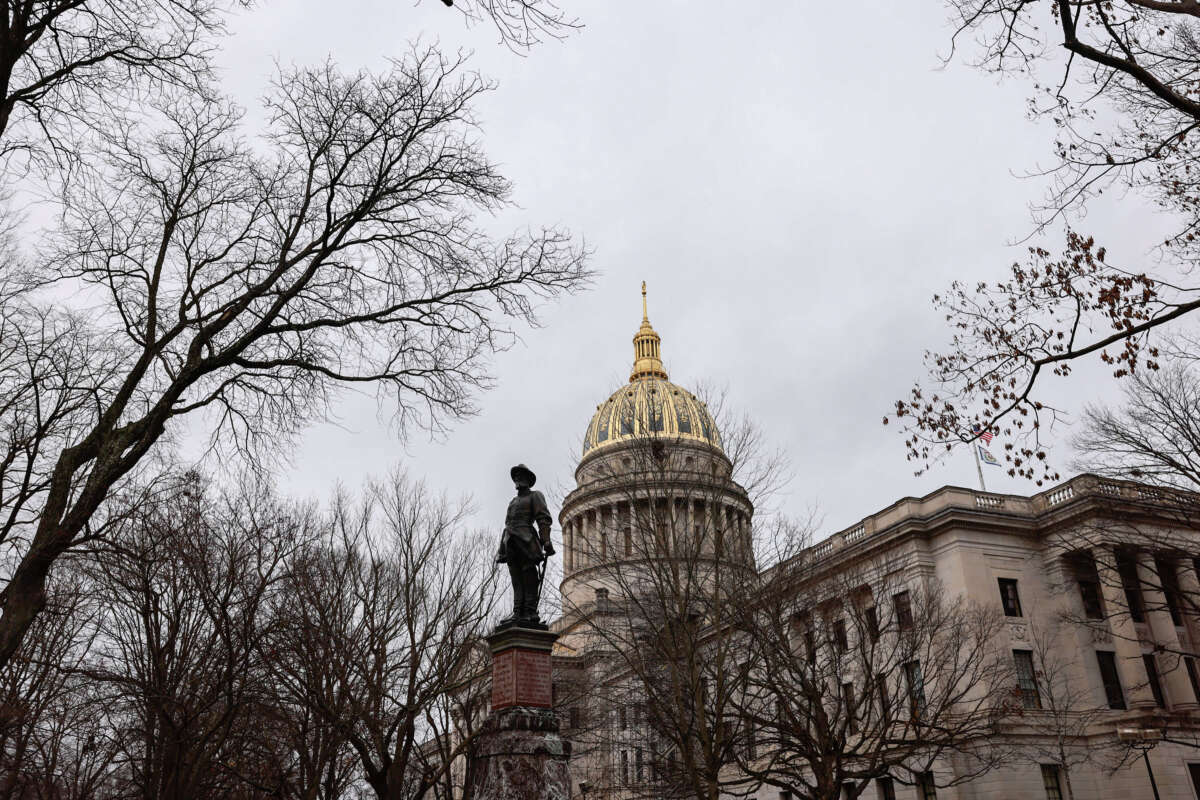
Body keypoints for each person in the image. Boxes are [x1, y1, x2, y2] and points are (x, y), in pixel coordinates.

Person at [497, 464, 554, 626]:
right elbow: (508, 522)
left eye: (521, 476)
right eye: (516, 476)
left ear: (528, 480)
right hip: (510, 541)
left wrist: (546, 541)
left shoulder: (535, 496)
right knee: (516, 579)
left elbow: (543, 518)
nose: (517, 479)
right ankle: (517, 611)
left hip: (527, 540)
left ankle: (530, 611)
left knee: (529, 576)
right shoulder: (513, 502)